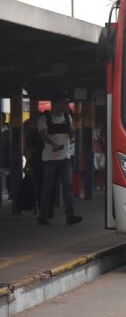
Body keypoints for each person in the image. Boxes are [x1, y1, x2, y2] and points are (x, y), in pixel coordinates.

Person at [37, 93, 82, 225]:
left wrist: (72, 131)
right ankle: (43, 216)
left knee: (68, 186)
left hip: (65, 158)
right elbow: (44, 135)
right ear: (55, 103)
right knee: (48, 187)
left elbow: (71, 135)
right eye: (64, 102)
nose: (66, 105)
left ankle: (70, 216)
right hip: (49, 159)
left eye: (67, 103)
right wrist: (53, 145)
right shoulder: (44, 118)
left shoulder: (68, 117)